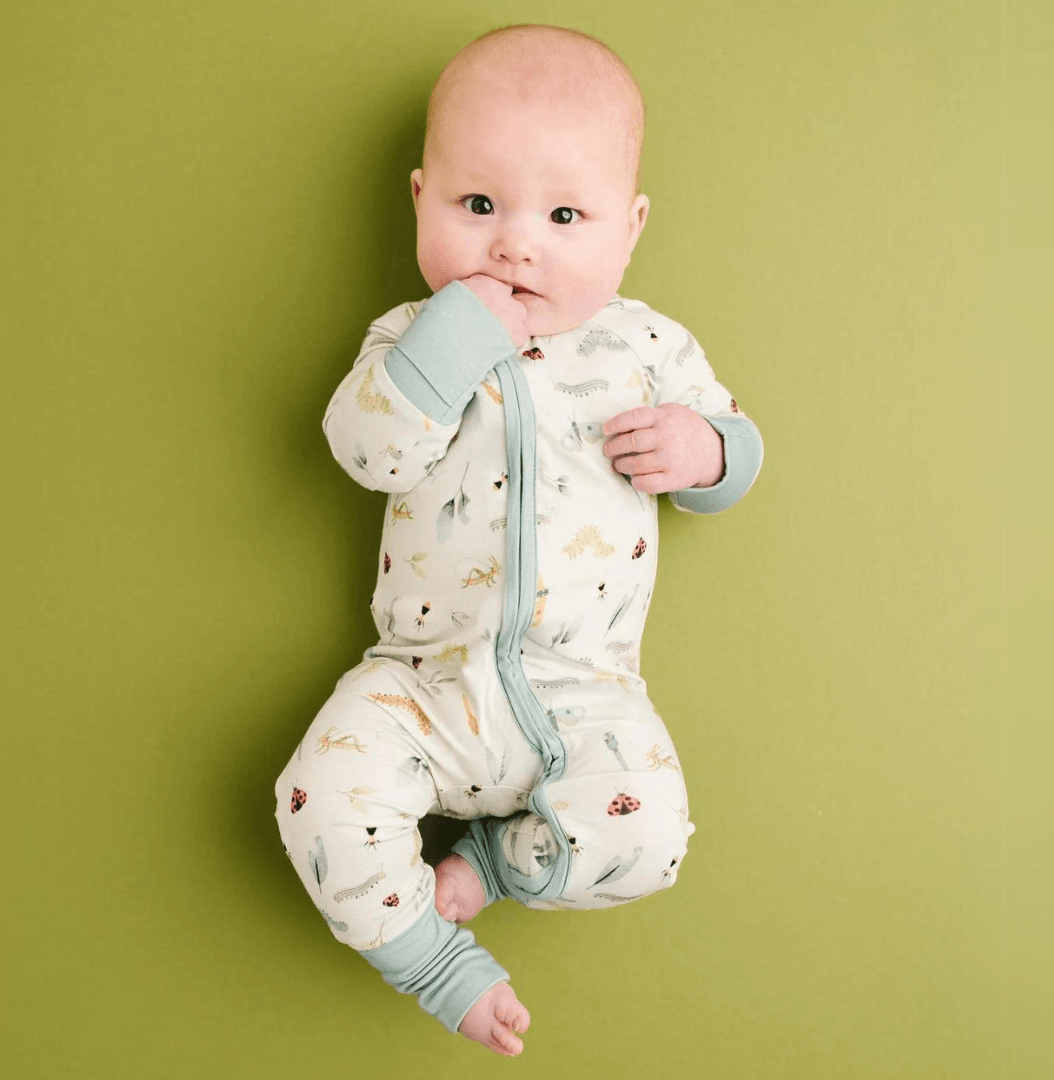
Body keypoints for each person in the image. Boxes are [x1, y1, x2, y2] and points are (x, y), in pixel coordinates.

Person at [274, 22, 763, 1057]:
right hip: (424, 681)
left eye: (564, 214)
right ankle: (432, 956)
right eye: (479, 206)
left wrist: (705, 452)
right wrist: (452, 337)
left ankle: (490, 868)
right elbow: (366, 449)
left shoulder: (644, 345)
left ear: (627, 232)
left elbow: (737, 450)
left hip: (588, 689)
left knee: (652, 837)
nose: (516, 244)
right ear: (422, 202)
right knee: (317, 795)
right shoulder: (413, 339)